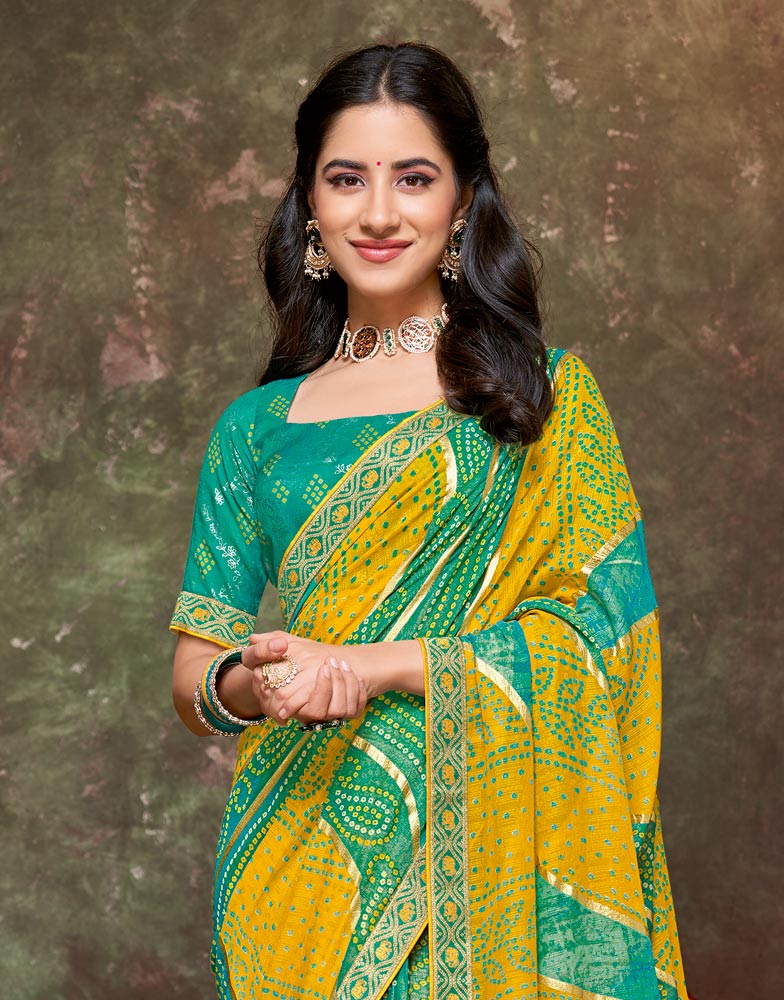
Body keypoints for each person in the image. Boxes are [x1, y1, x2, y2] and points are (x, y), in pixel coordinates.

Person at [170, 41, 688, 1000]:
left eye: (413, 178)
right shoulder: (256, 427)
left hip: (495, 868)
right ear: (309, 203)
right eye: (346, 179)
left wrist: (371, 665)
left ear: (462, 202)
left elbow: (603, 637)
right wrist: (264, 679)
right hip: (298, 877)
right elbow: (196, 678)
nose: (378, 213)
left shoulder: (542, 399)